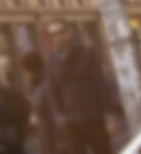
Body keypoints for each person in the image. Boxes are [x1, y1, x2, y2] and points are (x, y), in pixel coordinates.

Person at [45, 21, 117, 154]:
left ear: (69, 32)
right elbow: (52, 90)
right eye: (54, 34)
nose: (59, 37)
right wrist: (58, 115)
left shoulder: (87, 53)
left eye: (62, 32)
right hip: (70, 121)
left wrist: (109, 116)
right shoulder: (51, 60)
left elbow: (101, 84)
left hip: (94, 117)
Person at [22, 51, 63, 154]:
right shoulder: (34, 86)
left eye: (26, 70)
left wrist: (60, 136)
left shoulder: (45, 85)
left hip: (51, 131)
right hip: (43, 131)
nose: (25, 74)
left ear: (31, 70)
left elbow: (55, 111)